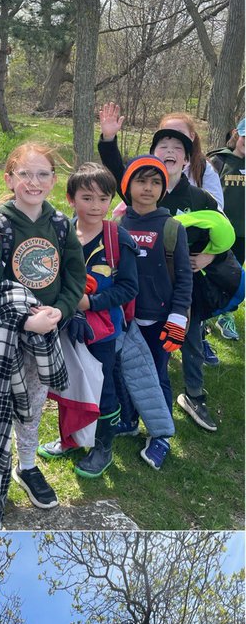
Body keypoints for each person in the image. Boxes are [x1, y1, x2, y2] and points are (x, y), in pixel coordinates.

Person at [0, 142, 86, 517]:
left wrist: (61, 309)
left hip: (44, 336)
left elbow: (75, 274)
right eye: (25, 174)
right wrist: (23, 320)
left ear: (54, 180)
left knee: (34, 403)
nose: (34, 182)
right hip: (4, 338)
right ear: (9, 178)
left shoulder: (59, 223)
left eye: (42, 174)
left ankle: (27, 465)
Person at [98, 103, 222, 403]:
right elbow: (117, 168)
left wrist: (210, 256)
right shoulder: (139, 193)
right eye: (162, 144)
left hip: (182, 283)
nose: (169, 149)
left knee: (189, 336)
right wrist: (108, 139)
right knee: (132, 358)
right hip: (137, 295)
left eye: (177, 144)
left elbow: (222, 232)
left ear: (188, 156)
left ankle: (193, 394)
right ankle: (129, 414)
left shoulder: (201, 196)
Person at [37, 162, 139, 477]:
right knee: (69, 384)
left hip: (103, 332)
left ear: (111, 201)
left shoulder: (117, 238)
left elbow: (129, 287)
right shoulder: (59, 233)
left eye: (103, 198)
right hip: (64, 326)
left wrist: (91, 302)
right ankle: (71, 439)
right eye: (86, 197)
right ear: (70, 199)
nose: (95, 206)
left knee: (102, 387)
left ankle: (102, 447)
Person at [114, 154, 194, 468]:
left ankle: (160, 434)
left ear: (163, 188)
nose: (148, 188)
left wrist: (178, 316)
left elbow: (185, 277)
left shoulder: (172, 227)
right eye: (141, 181)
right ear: (128, 186)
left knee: (157, 375)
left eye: (155, 182)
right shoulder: (119, 223)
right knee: (124, 371)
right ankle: (129, 419)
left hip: (161, 319)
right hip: (126, 318)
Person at [210, 119, 245, 339]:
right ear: (236, 134)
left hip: (243, 235)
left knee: (234, 277)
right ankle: (201, 316)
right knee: (211, 274)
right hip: (221, 233)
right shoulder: (218, 160)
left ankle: (226, 316)